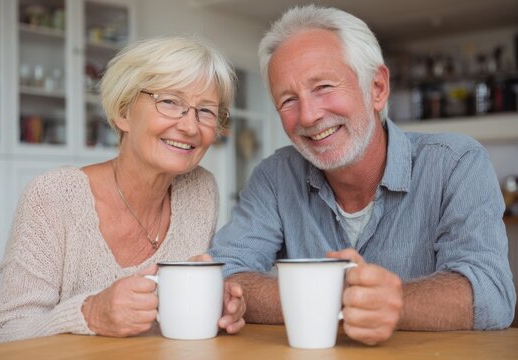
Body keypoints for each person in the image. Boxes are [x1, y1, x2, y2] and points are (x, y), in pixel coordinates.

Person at [208, 5, 516, 346]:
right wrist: (336, 296)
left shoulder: (457, 163)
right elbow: (223, 276)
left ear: (378, 88)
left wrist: (396, 303)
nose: (308, 116)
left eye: (324, 86)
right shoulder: (275, 176)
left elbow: (491, 293)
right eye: (288, 99)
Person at [0, 36, 246, 344]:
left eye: (206, 111)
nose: (190, 126)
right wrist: (90, 313)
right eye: (170, 102)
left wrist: (217, 304)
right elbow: (0, 337)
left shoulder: (201, 191)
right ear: (123, 112)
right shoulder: (53, 196)